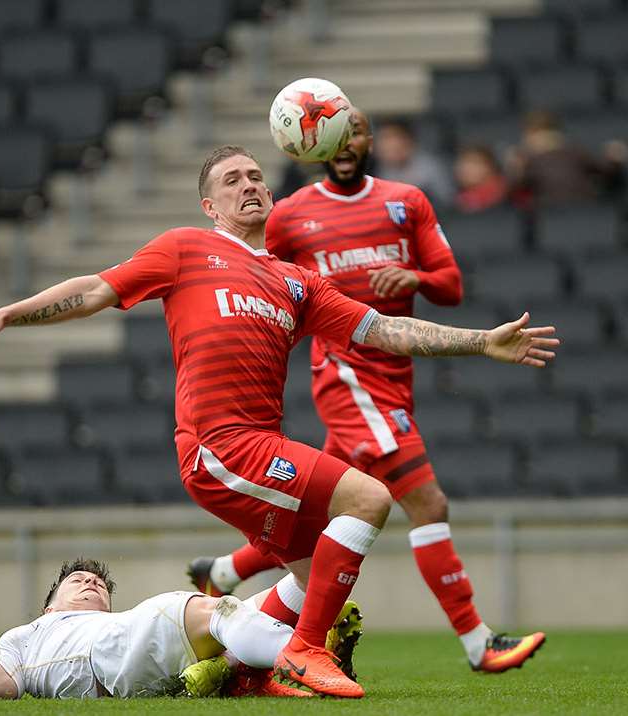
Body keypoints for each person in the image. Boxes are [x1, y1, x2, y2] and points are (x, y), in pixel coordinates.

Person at [0, 143, 558, 697]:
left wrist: (482, 341)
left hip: (258, 443)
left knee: (305, 578)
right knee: (370, 499)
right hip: (218, 446)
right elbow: (96, 291)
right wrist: (12, 313)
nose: (249, 185)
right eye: (232, 179)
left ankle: (241, 675)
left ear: (270, 195)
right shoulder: (185, 247)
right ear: (209, 204)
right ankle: (303, 654)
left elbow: (386, 330)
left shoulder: (297, 282)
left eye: (257, 177)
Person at [188, 110, 546, 675]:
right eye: (335, 133)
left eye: (355, 131)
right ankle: (478, 642)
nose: (346, 142)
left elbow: (450, 286)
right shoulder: (292, 212)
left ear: (367, 141)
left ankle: (227, 577)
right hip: (348, 378)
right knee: (425, 502)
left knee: (322, 515)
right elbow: (248, 256)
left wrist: (415, 280)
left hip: (395, 376)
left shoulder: (407, 201)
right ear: (314, 145)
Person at [0, 558, 363, 700]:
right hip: (107, 659)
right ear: (48, 607)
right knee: (212, 610)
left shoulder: (113, 621)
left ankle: (236, 670)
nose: (90, 583)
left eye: (97, 584)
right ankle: (300, 652)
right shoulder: (24, 636)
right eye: (77, 581)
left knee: (298, 581)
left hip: (128, 653)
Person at [508, 109, 626, 209]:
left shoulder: (529, 159)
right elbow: (608, 172)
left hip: (567, 211)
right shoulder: (576, 151)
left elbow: (516, 189)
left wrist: (516, 168)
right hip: (575, 209)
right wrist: (615, 161)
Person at [373, 117, 454, 207]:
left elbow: (447, 202)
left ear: (409, 140)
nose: (389, 145)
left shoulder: (429, 168)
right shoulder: (373, 169)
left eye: (395, 137)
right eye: (384, 139)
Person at [453, 144, 509, 213]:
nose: (465, 169)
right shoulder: (460, 201)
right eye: (462, 164)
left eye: (474, 163)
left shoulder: (506, 194)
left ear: (490, 167)